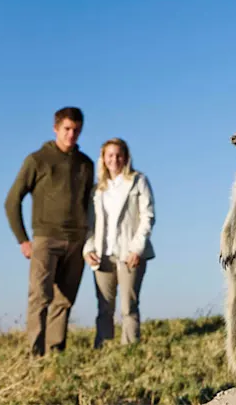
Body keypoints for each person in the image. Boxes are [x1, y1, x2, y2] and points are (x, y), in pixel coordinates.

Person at [4, 106, 95, 357]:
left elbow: (90, 205)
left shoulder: (86, 164)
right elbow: (12, 200)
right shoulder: (37, 160)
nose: (71, 134)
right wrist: (23, 240)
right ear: (55, 128)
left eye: (77, 130)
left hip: (76, 241)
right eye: (67, 129)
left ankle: (55, 354)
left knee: (64, 300)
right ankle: (35, 355)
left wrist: (89, 240)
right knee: (40, 297)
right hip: (46, 238)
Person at [83, 138, 155, 348]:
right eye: (110, 155)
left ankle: (130, 349)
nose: (114, 159)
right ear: (103, 159)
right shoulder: (98, 190)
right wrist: (88, 249)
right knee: (104, 307)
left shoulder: (138, 181)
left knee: (128, 306)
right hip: (103, 254)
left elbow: (148, 216)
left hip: (130, 253)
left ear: (126, 157)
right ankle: (103, 348)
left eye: (118, 155)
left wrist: (137, 248)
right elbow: (90, 224)